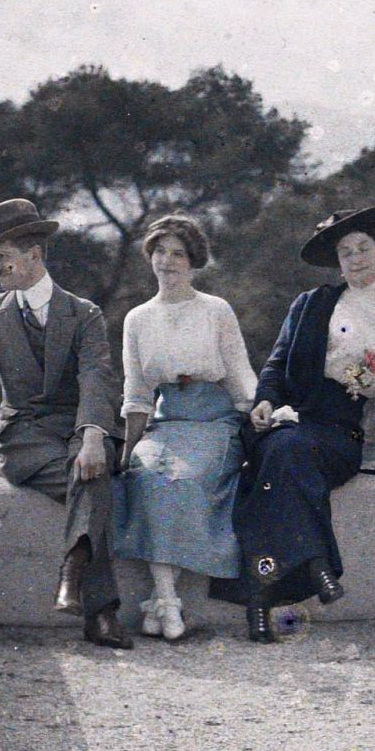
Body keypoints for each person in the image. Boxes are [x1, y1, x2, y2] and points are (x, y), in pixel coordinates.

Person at [207, 202, 375, 642]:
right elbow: (275, 364)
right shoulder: (313, 304)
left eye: (363, 248)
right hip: (295, 418)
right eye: (345, 252)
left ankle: (269, 592)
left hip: (345, 432)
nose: (355, 258)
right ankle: (312, 567)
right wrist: (266, 400)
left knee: (280, 464)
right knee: (279, 454)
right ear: (338, 262)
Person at [0, 198, 130, 649]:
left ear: (35, 255)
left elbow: (96, 378)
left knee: (95, 462)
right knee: (93, 480)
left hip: (75, 430)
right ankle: (99, 609)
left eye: (3, 258)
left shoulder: (83, 313)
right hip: (24, 438)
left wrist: (91, 435)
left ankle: (74, 572)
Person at [111, 213, 257, 642]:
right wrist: (127, 451)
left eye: (178, 253)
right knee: (147, 476)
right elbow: (137, 393)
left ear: (194, 262)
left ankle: (163, 603)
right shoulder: (137, 319)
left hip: (214, 421)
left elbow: (239, 374)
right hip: (166, 421)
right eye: (160, 252)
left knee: (184, 482)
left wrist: (257, 412)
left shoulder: (215, 310)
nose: (167, 261)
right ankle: (167, 600)